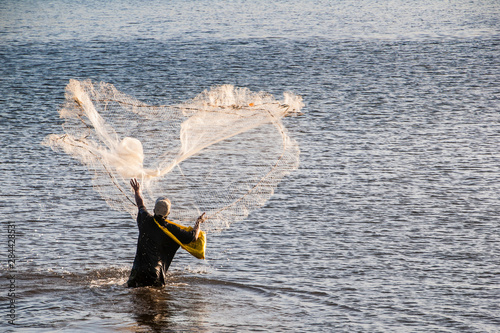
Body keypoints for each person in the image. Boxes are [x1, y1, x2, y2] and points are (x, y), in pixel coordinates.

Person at [127, 178, 206, 288]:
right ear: (168, 213)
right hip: (155, 274)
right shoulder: (171, 229)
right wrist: (198, 222)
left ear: (154, 210)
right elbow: (193, 237)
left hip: (137, 271)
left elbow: (140, 203)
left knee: (135, 296)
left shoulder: (144, 219)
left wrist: (137, 190)